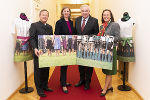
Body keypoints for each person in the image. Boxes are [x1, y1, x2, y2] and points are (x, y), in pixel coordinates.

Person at [29, 9, 53, 97]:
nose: (45, 16)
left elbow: (50, 39)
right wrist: (34, 48)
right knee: (38, 71)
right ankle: (39, 90)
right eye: (43, 15)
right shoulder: (34, 25)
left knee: (46, 70)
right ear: (39, 16)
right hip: (38, 53)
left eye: (46, 15)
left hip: (47, 52)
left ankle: (45, 86)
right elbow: (31, 38)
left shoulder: (50, 27)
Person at [75, 5, 99, 90]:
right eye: (83, 11)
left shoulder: (94, 20)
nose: (84, 12)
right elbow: (76, 32)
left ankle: (88, 82)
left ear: (89, 11)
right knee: (81, 64)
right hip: (79, 46)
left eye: (86, 11)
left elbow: (96, 33)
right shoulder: (77, 20)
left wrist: (87, 39)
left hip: (89, 46)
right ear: (81, 11)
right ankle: (82, 80)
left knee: (89, 65)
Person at [97, 9, 120, 96]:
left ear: (111, 16)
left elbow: (118, 38)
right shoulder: (102, 26)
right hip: (104, 50)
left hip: (111, 50)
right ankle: (110, 86)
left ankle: (105, 89)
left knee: (109, 71)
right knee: (106, 70)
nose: (105, 16)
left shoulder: (115, 25)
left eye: (107, 15)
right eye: (104, 15)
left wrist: (109, 37)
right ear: (102, 16)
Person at [54, 7, 74, 93]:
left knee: (65, 65)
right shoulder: (59, 22)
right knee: (63, 65)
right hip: (62, 46)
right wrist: (58, 48)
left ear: (70, 13)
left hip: (69, 45)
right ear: (62, 13)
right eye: (64, 11)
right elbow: (56, 35)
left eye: (68, 11)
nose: (66, 12)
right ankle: (63, 85)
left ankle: (63, 81)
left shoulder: (71, 22)